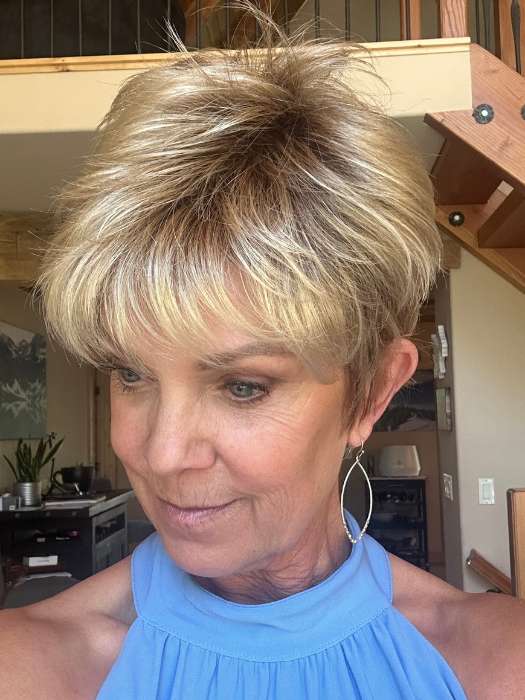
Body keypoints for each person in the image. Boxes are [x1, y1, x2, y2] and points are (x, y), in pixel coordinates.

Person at [2, 12, 525, 699]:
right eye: (131, 373)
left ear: (371, 394)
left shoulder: (495, 668)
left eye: (242, 386)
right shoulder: (29, 668)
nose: (161, 454)